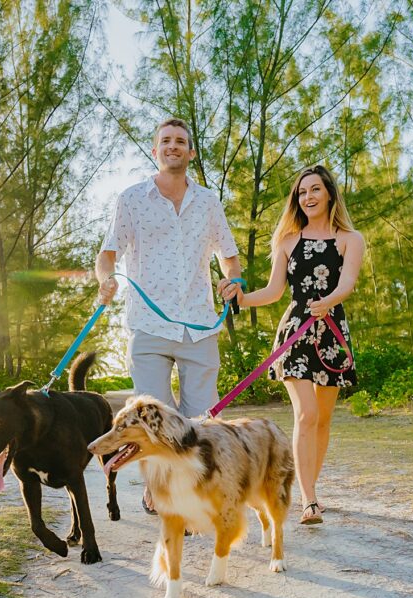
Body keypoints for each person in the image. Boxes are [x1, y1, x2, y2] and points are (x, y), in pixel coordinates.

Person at [95, 117, 242, 515]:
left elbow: (228, 254)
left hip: (199, 323)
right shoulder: (131, 199)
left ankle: (194, 493)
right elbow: (108, 252)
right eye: (166, 141)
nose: (173, 146)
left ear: (190, 152)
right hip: (148, 323)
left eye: (180, 141)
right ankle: (157, 491)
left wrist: (234, 280)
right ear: (155, 149)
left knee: (202, 419)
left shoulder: (209, 202)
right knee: (151, 420)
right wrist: (106, 280)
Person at [236, 165, 362, 524]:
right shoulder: (288, 241)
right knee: (305, 414)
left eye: (315, 190)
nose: (308, 197)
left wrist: (329, 301)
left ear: (329, 194)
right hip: (296, 331)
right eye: (302, 191)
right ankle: (307, 500)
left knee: (322, 420)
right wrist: (242, 299)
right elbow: (275, 291)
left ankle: (311, 491)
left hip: (332, 332)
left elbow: (347, 283)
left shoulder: (350, 239)